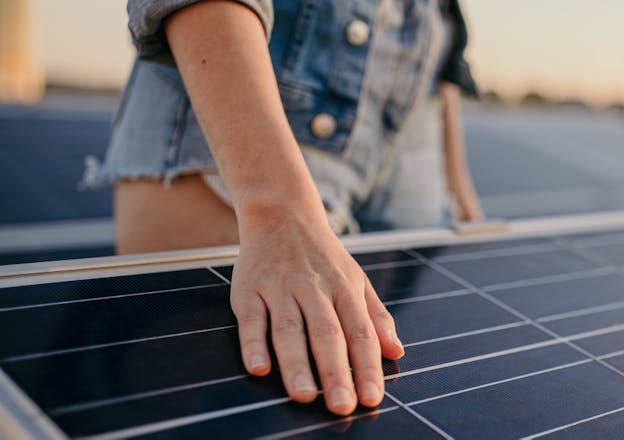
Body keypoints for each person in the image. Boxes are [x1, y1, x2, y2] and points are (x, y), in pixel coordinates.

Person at [84, 0, 483, 416]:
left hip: (417, 106)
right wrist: (275, 206)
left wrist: (456, 178)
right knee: (226, 409)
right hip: (250, 79)